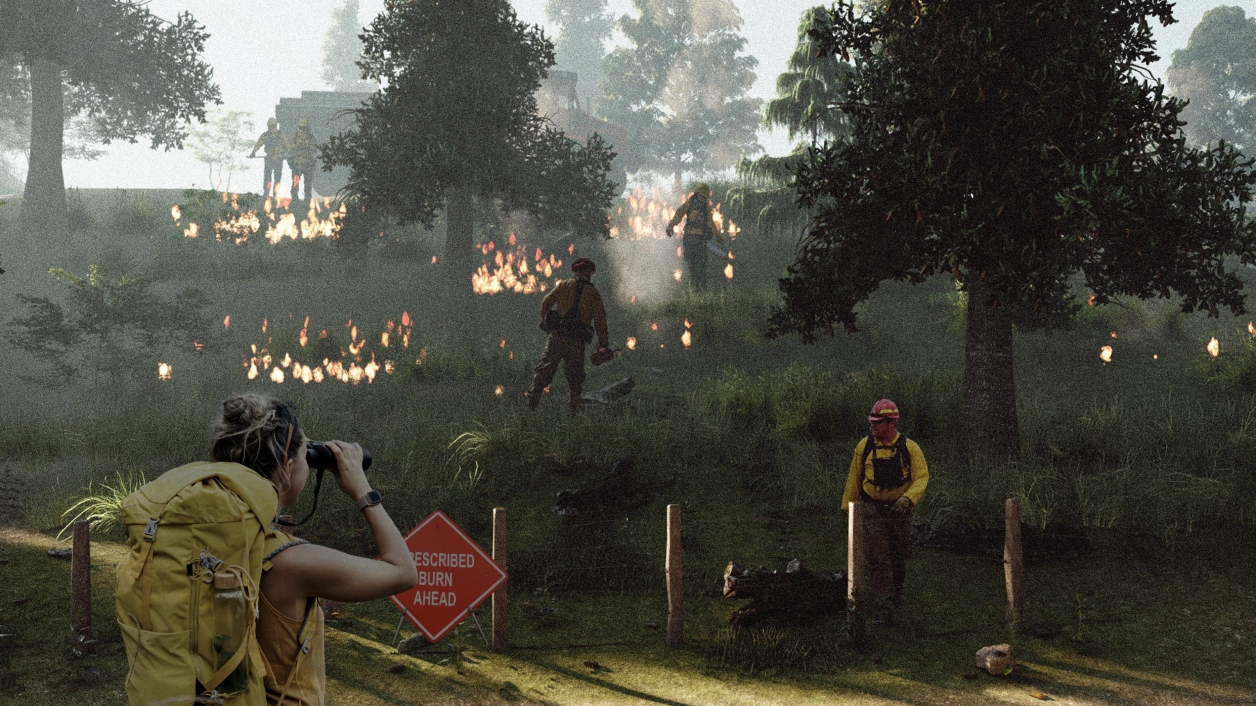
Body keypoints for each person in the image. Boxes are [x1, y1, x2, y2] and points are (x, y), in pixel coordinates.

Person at [212, 394, 417, 703]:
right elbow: (403, 572)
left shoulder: (202, 540)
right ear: (288, 466)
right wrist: (362, 490)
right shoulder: (290, 562)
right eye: (306, 454)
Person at [841, 398, 929, 626]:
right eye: (872, 422)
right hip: (872, 509)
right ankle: (884, 607)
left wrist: (908, 498)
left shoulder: (910, 448)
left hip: (900, 511)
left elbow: (921, 477)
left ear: (892, 423)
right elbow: (854, 477)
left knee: (899, 555)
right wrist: (848, 507)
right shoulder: (864, 447)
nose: (873, 426)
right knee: (879, 557)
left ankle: (896, 594)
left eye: (878, 422)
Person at [526, 257, 610, 413]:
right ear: (589, 273)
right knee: (575, 379)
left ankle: (531, 405)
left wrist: (544, 321)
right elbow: (600, 321)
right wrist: (603, 343)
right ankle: (573, 411)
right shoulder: (593, 293)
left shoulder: (564, 285)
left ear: (576, 272)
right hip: (576, 342)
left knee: (544, 371)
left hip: (557, 337)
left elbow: (546, 302)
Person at [666, 182, 725, 290]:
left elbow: (710, 223)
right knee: (691, 267)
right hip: (689, 239)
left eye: (705, 197)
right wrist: (670, 226)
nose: (703, 199)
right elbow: (679, 214)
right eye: (702, 196)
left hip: (700, 240)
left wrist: (718, 236)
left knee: (701, 266)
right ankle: (694, 289)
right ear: (698, 195)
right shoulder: (689, 204)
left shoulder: (706, 208)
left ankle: (702, 290)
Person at [249, 118, 287, 198]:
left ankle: (268, 193)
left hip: (272, 159)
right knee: (275, 177)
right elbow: (287, 145)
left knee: (269, 177)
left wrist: (253, 153)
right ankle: (272, 194)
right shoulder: (279, 134)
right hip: (276, 159)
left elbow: (258, 144)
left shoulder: (267, 135)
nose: (271, 128)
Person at [287, 118, 318, 201]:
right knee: (295, 181)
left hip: (307, 163)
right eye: (301, 128)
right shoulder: (295, 136)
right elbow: (290, 148)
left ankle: (307, 199)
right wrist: (298, 144)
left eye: (304, 128)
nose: (302, 130)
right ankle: (294, 198)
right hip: (297, 163)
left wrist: (307, 144)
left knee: (308, 183)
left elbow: (315, 149)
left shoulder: (310, 137)